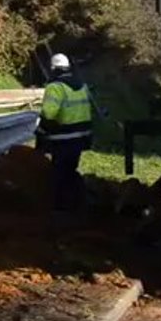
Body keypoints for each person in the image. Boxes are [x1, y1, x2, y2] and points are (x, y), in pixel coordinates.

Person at [37, 53, 97, 213]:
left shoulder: (55, 87)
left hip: (62, 138)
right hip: (80, 137)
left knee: (59, 174)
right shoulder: (81, 85)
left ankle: (60, 207)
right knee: (71, 170)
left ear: (54, 69)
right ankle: (77, 202)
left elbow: (49, 114)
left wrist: (41, 132)